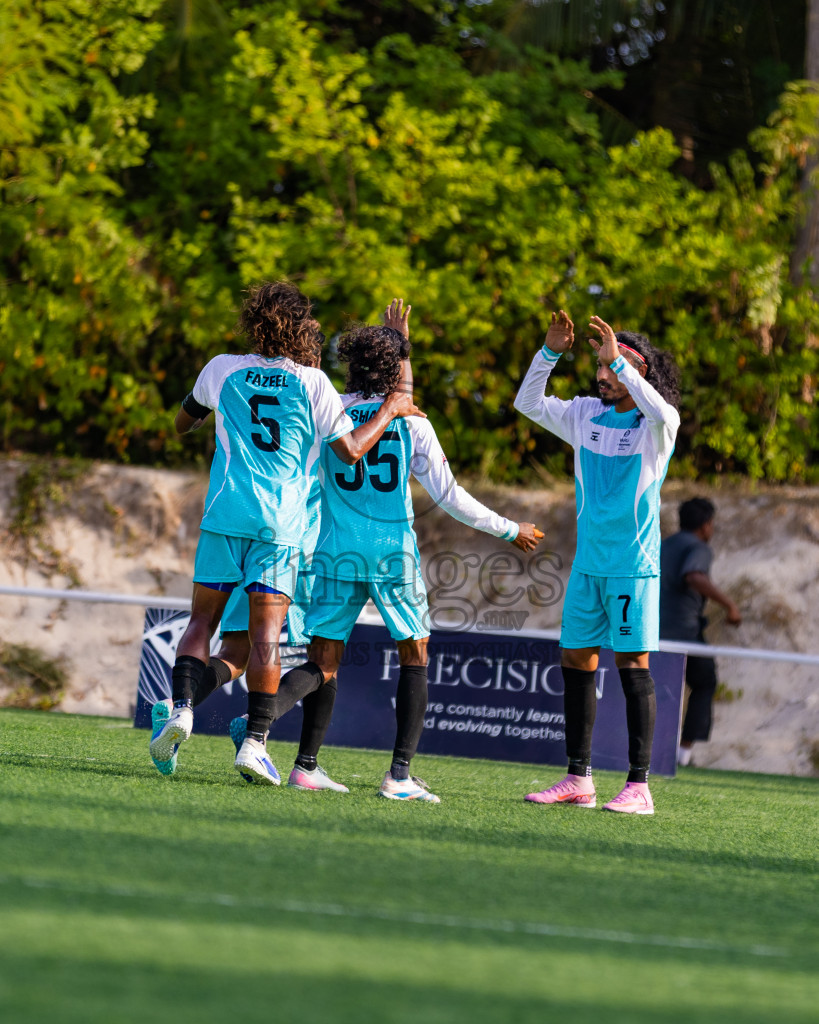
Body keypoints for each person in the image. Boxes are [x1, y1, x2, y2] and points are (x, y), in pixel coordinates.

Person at [231, 299, 542, 801]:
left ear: (351, 366)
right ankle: (398, 776)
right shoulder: (411, 421)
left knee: (323, 659)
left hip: (334, 549)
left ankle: (289, 749)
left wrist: (401, 349)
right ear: (396, 372)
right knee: (414, 654)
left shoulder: (326, 410)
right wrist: (510, 529)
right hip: (390, 551)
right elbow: (450, 497)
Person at [149, 281, 421, 784]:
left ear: (254, 321)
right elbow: (351, 451)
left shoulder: (221, 368)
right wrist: (390, 409)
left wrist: (201, 410)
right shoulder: (313, 381)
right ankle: (254, 744)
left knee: (201, 624)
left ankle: (181, 710)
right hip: (281, 525)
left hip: (225, 513)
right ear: (299, 327)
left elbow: (181, 424)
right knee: (266, 638)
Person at [514, 310, 681, 814]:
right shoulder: (586, 414)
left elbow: (665, 413)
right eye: (601, 367)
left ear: (637, 371)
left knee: (633, 666)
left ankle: (639, 786)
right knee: (575, 660)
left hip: (633, 566)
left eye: (611, 368)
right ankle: (578, 778)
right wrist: (549, 353)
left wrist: (622, 364)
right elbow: (527, 403)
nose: (601, 376)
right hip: (588, 566)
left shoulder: (657, 426)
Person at [660, 497, 741, 767]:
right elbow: (694, 575)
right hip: (683, 632)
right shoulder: (699, 547)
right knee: (705, 682)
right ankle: (683, 755)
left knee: (656, 688)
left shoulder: (664, 544)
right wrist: (730, 605)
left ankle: (653, 748)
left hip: (651, 628)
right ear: (706, 525)